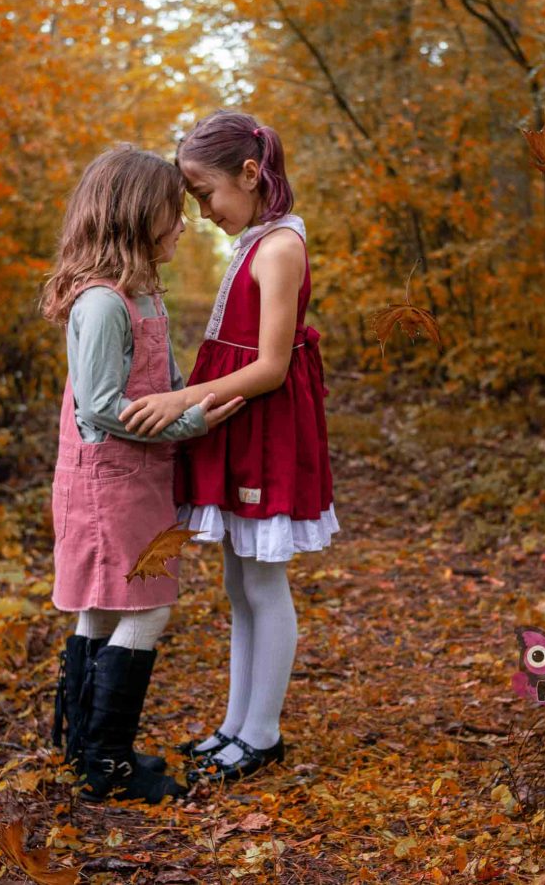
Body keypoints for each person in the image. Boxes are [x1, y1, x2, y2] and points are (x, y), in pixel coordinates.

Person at [120, 111, 339, 782]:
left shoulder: (278, 246)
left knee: (263, 581)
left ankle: (262, 734)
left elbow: (271, 365)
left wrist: (181, 399)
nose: (203, 211)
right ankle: (235, 725)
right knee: (239, 582)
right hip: (238, 418)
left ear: (249, 174)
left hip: (264, 420)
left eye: (205, 194)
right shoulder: (254, 237)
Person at [41, 145, 243, 803]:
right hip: (109, 479)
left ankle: (83, 749)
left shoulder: (141, 293)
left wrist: (192, 396)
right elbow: (99, 404)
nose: (184, 224)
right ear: (135, 214)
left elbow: (154, 379)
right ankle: (106, 759)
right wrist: (191, 424)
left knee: (106, 604)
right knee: (144, 606)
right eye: (172, 213)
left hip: (135, 475)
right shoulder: (103, 303)